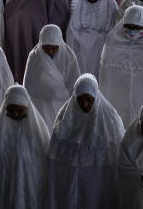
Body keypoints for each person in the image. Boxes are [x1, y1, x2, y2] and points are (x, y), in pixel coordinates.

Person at [44, 73, 126, 208]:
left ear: (96, 97)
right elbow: (56, 161)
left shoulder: (110, 121)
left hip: (100, 183)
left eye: (89, 100)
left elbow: (117, 160)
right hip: (72, 186)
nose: (85, 104)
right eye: (80, 100)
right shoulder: (65, 119)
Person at [99, 5, 143, 125]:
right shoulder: (112, 42)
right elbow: (105, 77)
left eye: (137, 27)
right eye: (128, 27)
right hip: (118, 96)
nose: (132, 31)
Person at [0, 84, 50, 209]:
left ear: (27, 107)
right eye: (11, 110)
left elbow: (43, 165)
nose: (15, 114)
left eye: (20, 110)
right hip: (5, 189)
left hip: (28, 190)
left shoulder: (38, 131)